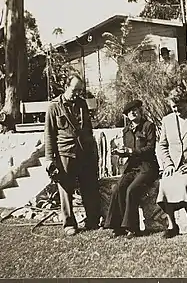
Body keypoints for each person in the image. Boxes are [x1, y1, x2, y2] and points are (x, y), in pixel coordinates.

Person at [44, 73, 101, 236]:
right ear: (66, 86)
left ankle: (92, 221)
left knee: (88, 186)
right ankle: (69, 223)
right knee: (65, 189)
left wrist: (93, 152)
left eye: (80, 91)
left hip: (84, 153)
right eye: (75, 90)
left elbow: (88, 129)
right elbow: (49, 134)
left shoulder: (82, 104)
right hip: (65, 153)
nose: (77, 94)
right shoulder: (54, 106)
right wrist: (49, 159)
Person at [103, 100, 159, 238]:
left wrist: (131, 151)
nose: (132, 113)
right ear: (127, 116)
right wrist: (121, 152)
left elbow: (150, 149)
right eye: (129, 112)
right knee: (118, 188)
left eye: (135, 110)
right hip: (132, 168)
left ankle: (132, 228)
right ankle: (117, 226)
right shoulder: (126, 130)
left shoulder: (148, 126)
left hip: (148, 167)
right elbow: (128, 151)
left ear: (140, 111)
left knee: (131, 190)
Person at [156, 85, 187, 238]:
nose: (176, 110)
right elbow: (162, 145)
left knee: (184, 185)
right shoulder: (167, 120)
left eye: (179, 106)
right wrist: (168, 164)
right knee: (165, 184)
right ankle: (172, 225)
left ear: (186, 102)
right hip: (174, 167)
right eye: (173, 107)